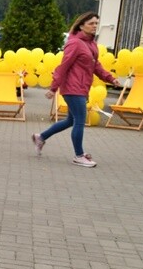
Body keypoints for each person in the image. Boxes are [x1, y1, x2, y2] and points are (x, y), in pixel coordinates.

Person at [33, 12, 119, 167]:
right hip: (73, 88)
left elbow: (96, 65)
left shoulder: (91, 44)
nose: (94, 26)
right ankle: (79, 155)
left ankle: (41, 137)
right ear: (81, 25)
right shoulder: (75, 43)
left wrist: (110, 78)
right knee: (80, 120)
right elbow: (63, 66)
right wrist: (53, 88)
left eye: (96, 23)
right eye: (91, 23)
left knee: (71, 120)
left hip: (81, 88)